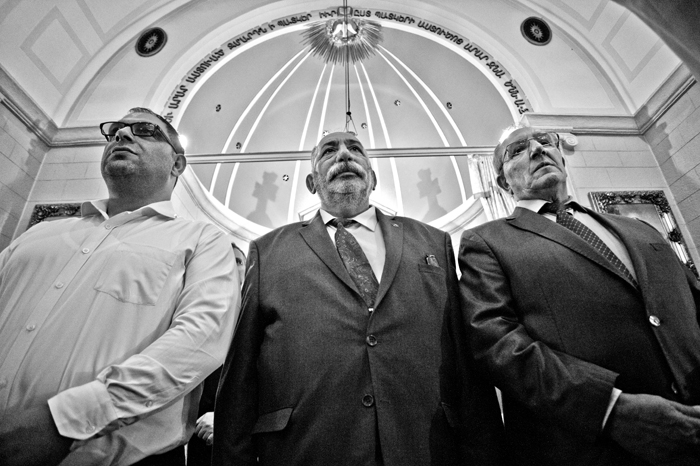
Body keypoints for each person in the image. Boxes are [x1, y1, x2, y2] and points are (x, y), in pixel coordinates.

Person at [213, 131, 504, 465]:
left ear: (373, 178)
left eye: (355, 148)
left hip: (425, 445)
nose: (344, 155)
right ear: (312, 183)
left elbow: (465, 360)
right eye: (329, 151)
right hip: (306, 448)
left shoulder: (432, 242)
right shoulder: (268, 252)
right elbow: (240, 374)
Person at [0, 107, 239, 466]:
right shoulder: (42, 233)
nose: (122, 135)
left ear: (177, 164)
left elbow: (200, 339)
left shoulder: (201, 239)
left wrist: (66, 420)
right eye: (115, 131)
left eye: (145, 130)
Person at [458, 125, 700, 465]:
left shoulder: (638, 227)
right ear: (503, 182)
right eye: (518, 150)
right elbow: (496, 343)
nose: (538, 149)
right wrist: (609, 408)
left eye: (545, 141)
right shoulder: (488, 242)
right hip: (599, 447)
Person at [187, 243, 247, 466]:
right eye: (225, 257)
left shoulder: (255, 314)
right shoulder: (194, 312)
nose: (231, 265)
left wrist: (225, 420)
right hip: (196, 437)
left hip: (234, 438)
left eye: (238, 261)